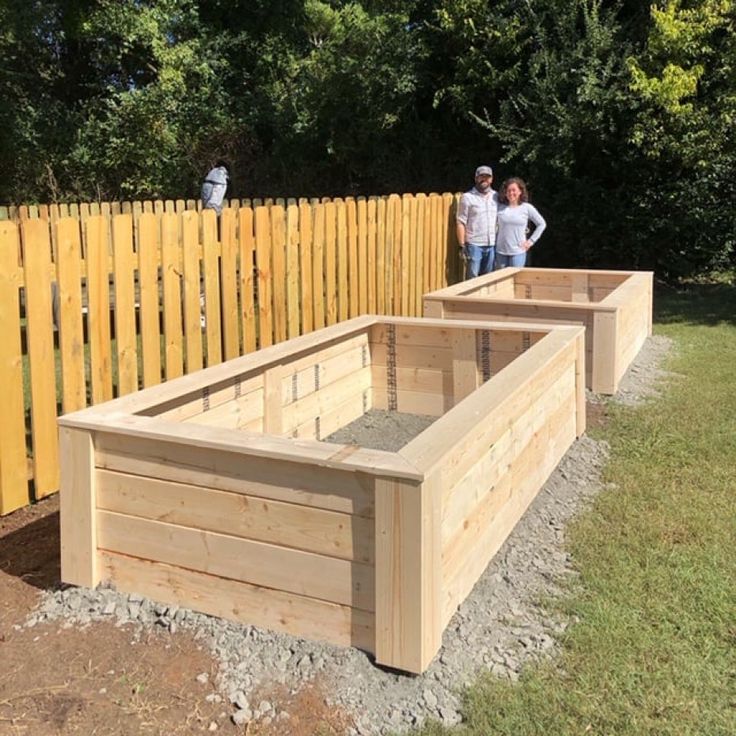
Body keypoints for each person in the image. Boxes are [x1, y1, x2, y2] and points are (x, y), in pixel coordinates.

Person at [456, 165, 499, 279]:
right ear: (476, 178)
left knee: (488, 278)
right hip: (474, 245)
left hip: (492, 244)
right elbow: (461, 222)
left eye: (487, 177)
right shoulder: (467, 197)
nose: (484, 179)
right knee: (472, 278)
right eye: (481, 176)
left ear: (491, 179)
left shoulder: (496, 196)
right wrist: (461, 245)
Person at [495, 177, 546, 269]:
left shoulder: (527, 208)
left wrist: (531, 241)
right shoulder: (500, 208)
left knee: (516, 281)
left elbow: (542, 224)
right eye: (508, 190)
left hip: (518, 252)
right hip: (500, 253)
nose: (511, 193)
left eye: (514, 190)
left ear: (520, 192)